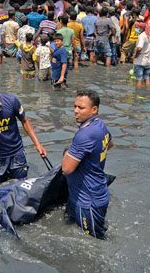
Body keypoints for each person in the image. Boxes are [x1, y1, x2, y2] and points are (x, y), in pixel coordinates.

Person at [0, 74, 47, 191]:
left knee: (22, 189)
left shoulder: (11, 101)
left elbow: (25, 121)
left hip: (17, 153)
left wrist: (38, 145)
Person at [61, 90, 113, 239]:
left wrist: (67, 153)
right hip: (94, 192)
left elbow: (67, 168)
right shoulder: (100, 125)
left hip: (88, 201)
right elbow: (110, 144)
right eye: (75, 106)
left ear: (94, 109)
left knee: (94, 242)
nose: (76, 111)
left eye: (81, 108)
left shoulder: (85, 134)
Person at [133, 21, 150, 87]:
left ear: (141, 28)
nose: (137, 29)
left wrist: (135, 56)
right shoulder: (149, 35)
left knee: (139, 79)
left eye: (138, 28)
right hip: (148, 61)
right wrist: (149, 49)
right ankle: (147, 92)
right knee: (146, 78)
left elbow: (139, 48)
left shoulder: (142, 36)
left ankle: (138, 94)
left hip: (140, 61)